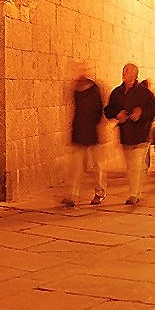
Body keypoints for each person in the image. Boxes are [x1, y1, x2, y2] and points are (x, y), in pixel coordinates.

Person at [104, 63, 155, 205]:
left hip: (141, 134)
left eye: (127, 71)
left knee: (135, 165)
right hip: (126, 134)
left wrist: (141, 112)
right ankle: (138, 190)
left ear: (134, 75)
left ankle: (133, 194)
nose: (124, 72)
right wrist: (117, 114)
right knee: (131, 166)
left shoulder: (144, 93)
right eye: (123, 70)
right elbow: (108, 110)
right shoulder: (116, 93)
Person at [62, 64, 106, 207]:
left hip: (92, 131)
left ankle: (99, 192)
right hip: (79, 131)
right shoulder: (76, 89)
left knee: (97, 165)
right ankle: (72, 195)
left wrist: (95, 124)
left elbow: (99, 110)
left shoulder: (95, 88)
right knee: (76, 166)